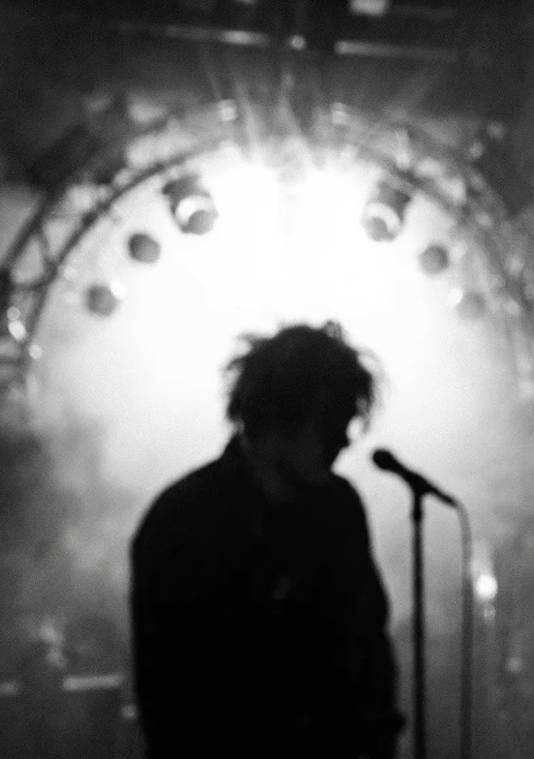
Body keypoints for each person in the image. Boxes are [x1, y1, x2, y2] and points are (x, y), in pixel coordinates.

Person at [129, 322, 403, 759]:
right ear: (282, 417)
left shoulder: (339, 510)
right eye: (332, 422)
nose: (344, 440)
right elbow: (173, 701)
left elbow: (370, 652)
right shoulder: (183, 519)